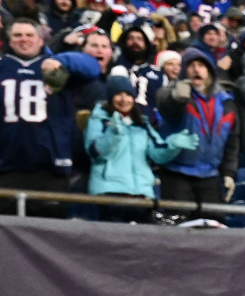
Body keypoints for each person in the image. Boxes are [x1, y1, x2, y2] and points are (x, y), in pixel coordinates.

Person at [0, 18, 100, 216]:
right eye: (17, 35)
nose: (23, 39)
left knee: (46, 230)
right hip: (7, 166)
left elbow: (92, 67)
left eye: (29, 35)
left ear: (40, 40)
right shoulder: (3, 67)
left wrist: (61, 61)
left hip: (50, 168)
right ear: (10, 41)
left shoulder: (58, 66)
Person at [84, 76, 198, 222]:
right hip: (109, 193)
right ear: (110, 98)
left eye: (128, 94)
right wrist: (112, 136)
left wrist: (172, 146)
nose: (124, 99)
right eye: (118, 94)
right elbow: (94, 152)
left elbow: (157, 154)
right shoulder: (98, 119)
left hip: (142, 195)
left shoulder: (141, 122)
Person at [156, 48, 240, 205]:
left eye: (201, 65)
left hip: (209, 175)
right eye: (191, 66)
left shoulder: (226, 102)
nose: (196, 69)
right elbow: (166, 106)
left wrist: (229, 173)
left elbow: (232, 142)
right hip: (176, 173)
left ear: (209, 71)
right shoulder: (174, 92)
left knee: (214, 219)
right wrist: (177, 98)